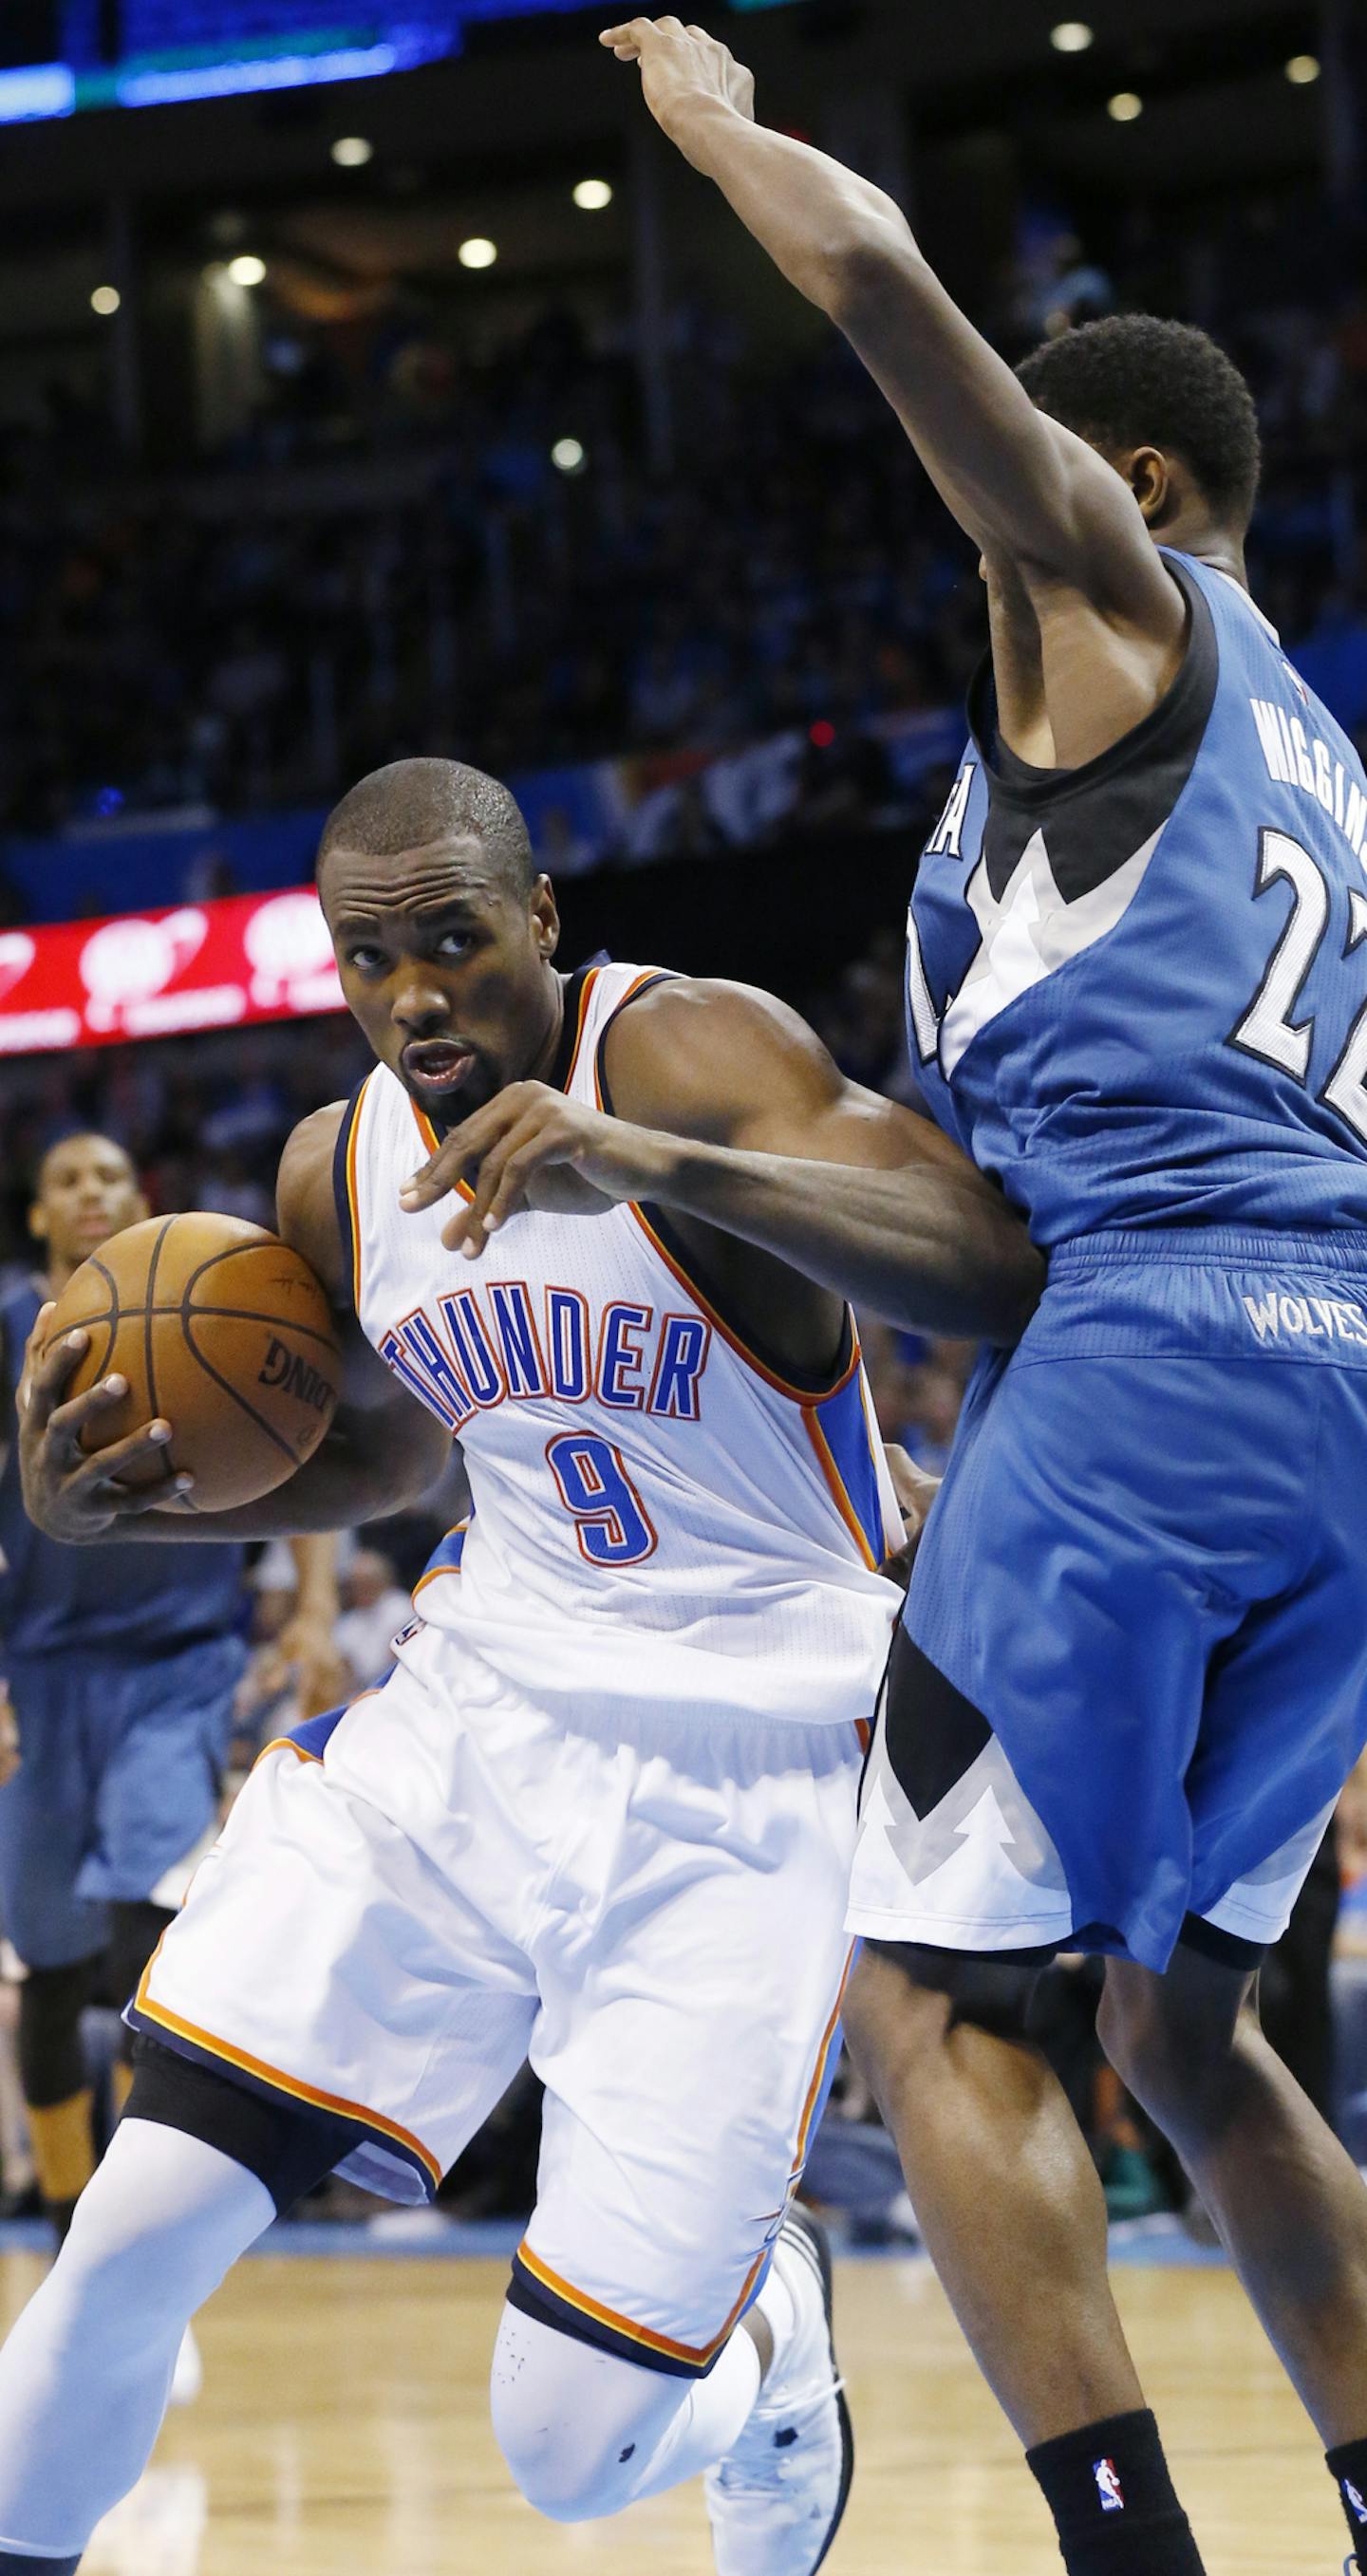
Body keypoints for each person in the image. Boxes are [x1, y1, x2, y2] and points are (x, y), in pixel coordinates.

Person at [574, 22, 1367, 2575]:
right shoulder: (1322, 768)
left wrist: (707, 126)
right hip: (1333, 1385)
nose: (978, 541)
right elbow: (993, 1227)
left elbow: (891, 278)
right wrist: (662, 1152)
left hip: (1155, 1364)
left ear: (1134, 487)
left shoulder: (1124, 611)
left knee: (932, 1997)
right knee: (1184, 2023)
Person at [0, 759, 1039, 2575]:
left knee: (569, 2450)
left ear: (543, 923)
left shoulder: (691, 1051)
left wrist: (649, 1158)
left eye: (457, 942)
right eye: (369, 957)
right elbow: (400, 1448)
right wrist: (123, 1513)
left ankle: (774, 2345)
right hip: (475, 1733)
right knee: (132, 2224)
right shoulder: (338, 1160)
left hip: (750, 1776)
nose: (415, 997)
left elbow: (989, 1263)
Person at [0, 1134, 340, 2255]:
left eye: (109, 1175)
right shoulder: (10, 1329)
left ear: (139, 1198)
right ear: (43, 1217)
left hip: (178, 1664)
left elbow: (310, 1443)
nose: (92, 1191)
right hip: (42, 1671)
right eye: (68, 1180)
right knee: (48, 1965)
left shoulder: (224, 1289)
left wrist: (309, 1606)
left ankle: (134, 2231)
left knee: (152, 1926)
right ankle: (62, 2221)